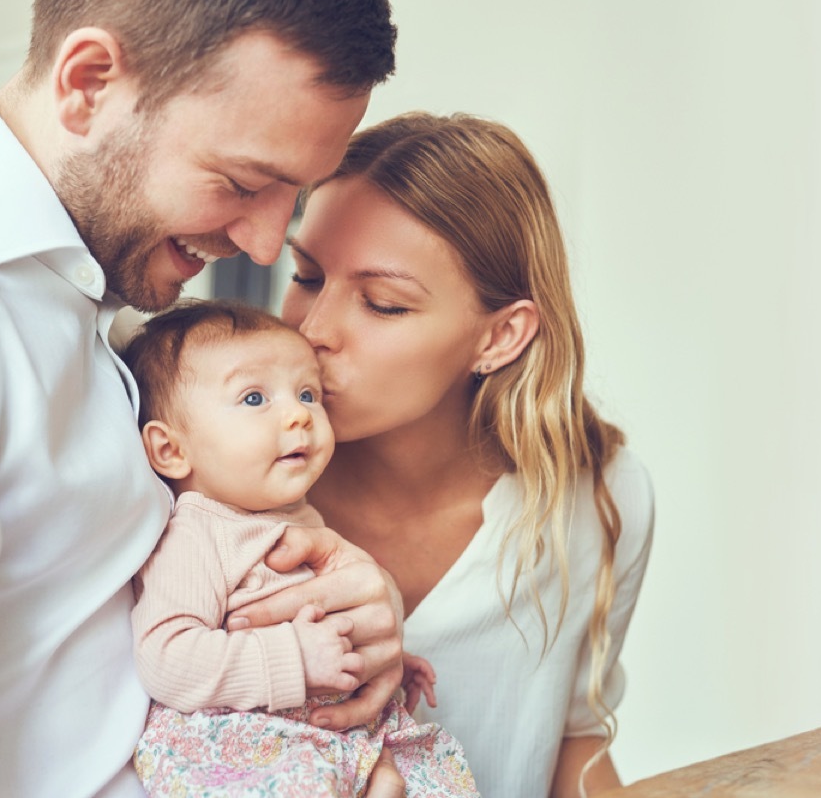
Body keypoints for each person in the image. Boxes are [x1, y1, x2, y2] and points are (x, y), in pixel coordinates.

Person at [0, 2, 402, 796]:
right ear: (88, 85)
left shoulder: (95, 302)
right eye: (244, 182)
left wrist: (351, 606)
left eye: (291, 197)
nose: (265, 243)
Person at [227, 112, 656, 797]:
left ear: (501, 335)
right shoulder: (221, 483)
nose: (312, 329)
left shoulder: (602, 497)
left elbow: (573, 740)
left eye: (383, 303)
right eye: (306, 274)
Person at [119, 299, 477, 797]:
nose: (298, 416)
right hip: (245, 751)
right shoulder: (196, 534)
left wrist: (369, 664)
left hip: (318, 737)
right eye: (253, 399)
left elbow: (315, 619)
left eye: (308, 393)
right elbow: (166, 657)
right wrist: (294, 658)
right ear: (171, 450)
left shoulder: (296, 520)